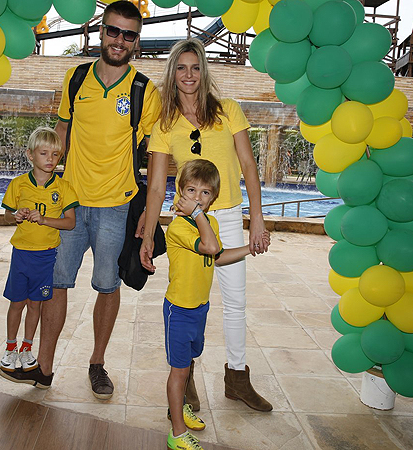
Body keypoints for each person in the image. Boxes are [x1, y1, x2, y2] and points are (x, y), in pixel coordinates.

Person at [140, 38, 272, 412]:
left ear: (204, 71)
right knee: (188, 300)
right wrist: (150, 235)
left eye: (195, 67)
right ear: (172, 73)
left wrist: (256, 220)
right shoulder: (164, 124)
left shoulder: (229, 110)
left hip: (228, 214)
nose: (189, 75)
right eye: (181, 68)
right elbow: (155, 186)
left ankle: (237, 377)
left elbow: (248, 167)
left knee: (235, 302)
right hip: (188, 224)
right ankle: (185, 378)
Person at [50, 1, 161, 399]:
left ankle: (97, 363)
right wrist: (47, 183)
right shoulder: (75, 78)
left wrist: (152, 207)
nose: (120, 40)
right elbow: (63, 127)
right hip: (71, 203)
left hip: (117, 204)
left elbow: (157, 151)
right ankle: (44, 367)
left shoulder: (143, 90)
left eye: (129, 35)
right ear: (101, 31)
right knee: (56, 283)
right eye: (114, 31)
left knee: (107, 285)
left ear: (136, 41)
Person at [163, 159, 270, 450]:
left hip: (199, 308)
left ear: (215, 197)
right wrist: (198, 214)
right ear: (180, 191)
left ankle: (179, 407)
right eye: (191, 190)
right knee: (179, 371)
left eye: (205, 193)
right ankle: (177, 433)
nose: (198, 198)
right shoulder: (179, 228)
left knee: (189, 361)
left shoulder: (209, 222)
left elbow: (218, 256)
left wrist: (249, 248)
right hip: (179, 310)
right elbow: (209, 247)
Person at [0, 127, 78, 388]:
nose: (50, 159)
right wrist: (15, 216)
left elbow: (70, 223)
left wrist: (44, 219)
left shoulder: (63, 188)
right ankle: (10, 348)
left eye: (55, 154)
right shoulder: (18, 185)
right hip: (21, 256)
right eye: (44, 153)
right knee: (17, 303)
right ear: (30, 154)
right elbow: (6, 216)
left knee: (36, 305)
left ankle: (27, 348)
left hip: (46, 258)